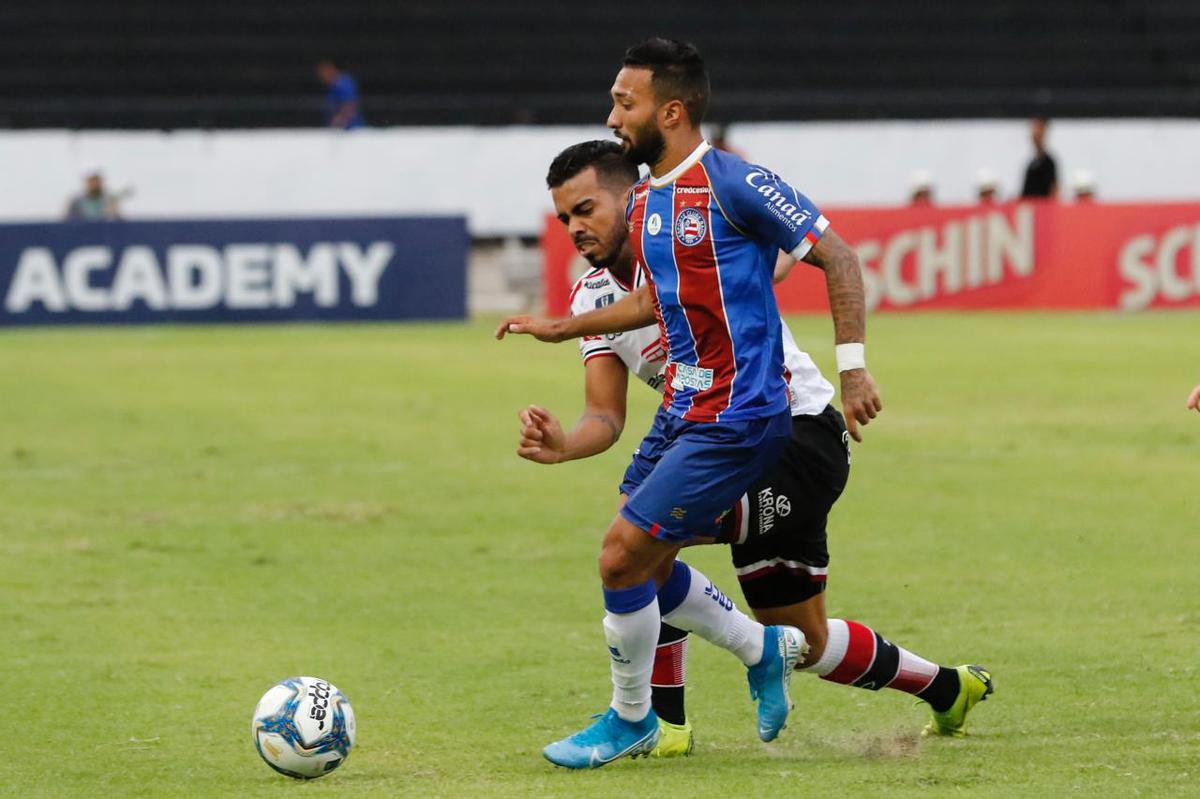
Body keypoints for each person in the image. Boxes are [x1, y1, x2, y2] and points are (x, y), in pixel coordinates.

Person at [510, 138, 994, 758]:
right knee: (807, 642)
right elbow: (604, 417)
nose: (575, 229)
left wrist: (851, 362)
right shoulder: (592, 298)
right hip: (718, 443)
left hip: (795, 434)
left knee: (638, 540)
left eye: (585, 209)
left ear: (632, 197)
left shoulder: (702, 244)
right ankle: (948, 688)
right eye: (564, 220)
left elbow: (799, 251)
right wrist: (563, 444)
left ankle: (663, 719)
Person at [498, 37, 884, 769]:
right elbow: (652, 299)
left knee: (621, 557)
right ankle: (758, 648)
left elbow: (836, 255)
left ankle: (635, 718)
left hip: (743, 412)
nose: (613, 115)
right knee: (636, 553)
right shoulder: (645, 201)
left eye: (625, 101)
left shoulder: (737, 183)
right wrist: (567, 327)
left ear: (670, 110)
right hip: (684, 409)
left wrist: (855, 368)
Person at [316, 59, 365, 130]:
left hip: (351, 130)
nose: (322, 77)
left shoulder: (343, 83)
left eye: (323, 73)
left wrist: (341, 119)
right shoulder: (332, 86)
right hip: (341, 130)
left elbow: (351, 104)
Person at [1020, 118, 1057, 199]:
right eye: (1033, 128)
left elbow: (1054, 190)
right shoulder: (1031, 163)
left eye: (1037, 128)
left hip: (1043, 208)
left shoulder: (1049, 162)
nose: (1034, 132)